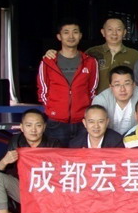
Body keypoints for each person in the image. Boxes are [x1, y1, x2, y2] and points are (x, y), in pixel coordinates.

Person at [0, 109, 60, 213]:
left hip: (49, 194)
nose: (33, 130)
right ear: (21, 127)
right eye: (29, 125)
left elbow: (62, 174)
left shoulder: (54, 144)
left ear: (44, 127)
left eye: (38, 125)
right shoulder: (16, 142)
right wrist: (5, 161)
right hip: (24, 191)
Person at [38, 18, 99, 147]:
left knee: (81, 157)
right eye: (66, 32)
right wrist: (53, 109)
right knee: (56, 156)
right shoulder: (48, 62)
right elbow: (43, 90)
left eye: (75, 32)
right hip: (56, 122)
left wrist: (85, 111)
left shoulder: (90, 62)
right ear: (59, 37)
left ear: (80, 35)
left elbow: (92, 90)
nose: (71, 36)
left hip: (82, 121)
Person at [85, 17, 138, 93]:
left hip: (125, 98)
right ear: (103, 32)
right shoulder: (91, 53)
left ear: (124, 32)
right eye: (110, 29)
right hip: (97, 99)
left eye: (118, 29)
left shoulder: (135, 55)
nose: (114, 33)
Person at [92, 65, 138, 135]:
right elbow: (95, 129)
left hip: (136, 138)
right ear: (110, 87)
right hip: (109, 138)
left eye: (127, 84)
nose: (122, 89)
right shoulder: (101, 101)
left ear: (133, 85)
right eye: (117, 84)